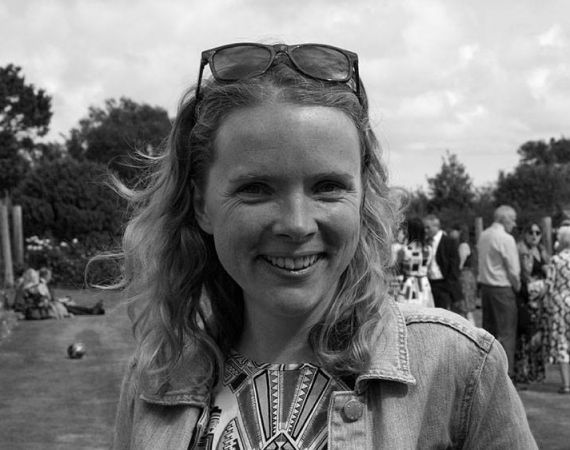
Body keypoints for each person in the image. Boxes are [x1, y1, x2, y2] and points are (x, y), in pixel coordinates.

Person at [112, 42, 536, 449]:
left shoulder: (459, 367)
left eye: (328, 187)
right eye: (256, 188)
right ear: (202, 203)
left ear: (364, 196)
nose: (296, 224)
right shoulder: (157, 377)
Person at [477, 205, 521, 380]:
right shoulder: (506, 238)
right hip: (502, 288)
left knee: (490, 333)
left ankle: (489, 374)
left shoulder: (484, 235)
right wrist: (517, 287)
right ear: (505, 219)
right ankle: (506, 377)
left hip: (486, 288)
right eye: (513, 219)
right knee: (507, 333)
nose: (515, 223)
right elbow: (512, 269)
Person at [514, 223, 549, 386]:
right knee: (524, 335)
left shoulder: (542, 250)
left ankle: (537, 372)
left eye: (538, 232)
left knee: (538, 336)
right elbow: (521, 274)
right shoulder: (519, 250)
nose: (534, 235)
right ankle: (523, 372)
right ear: (524, 234)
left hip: (539, 299)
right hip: (524, 298)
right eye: (531, 232)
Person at [545, 225, 570, 394]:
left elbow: (549, 284)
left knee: (562, 341)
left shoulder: (556, 260)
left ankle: (566, 384)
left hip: (561, 303)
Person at [423, 214, 463, 313]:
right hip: (430, 283)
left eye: (428, 227)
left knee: (443, 313)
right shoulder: (426, 241)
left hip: (444, 284)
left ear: (436, 226)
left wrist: (448, 286)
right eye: (425, 227)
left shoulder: (449, 242)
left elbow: (454, 266)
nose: (425, 230)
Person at [396, 217, 435, 308]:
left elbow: (397, 270)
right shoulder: (429, 249)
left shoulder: (404, 250)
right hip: (424, 284)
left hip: (408, 286)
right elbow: (429, 269)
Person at [450, 223, 478, 324]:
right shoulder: (468, 244)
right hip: (468, 276)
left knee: (465, 307)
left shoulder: (463, 245)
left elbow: (460, 265)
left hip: (464, 277)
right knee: (466, 308)